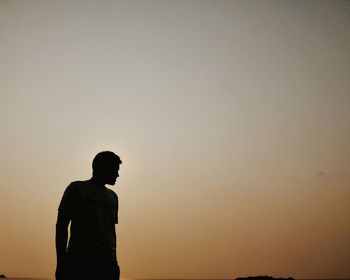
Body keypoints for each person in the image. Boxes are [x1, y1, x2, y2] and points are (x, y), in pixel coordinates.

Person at [55, 151, 122, 280]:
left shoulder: (113, 197)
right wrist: (61, 263)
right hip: (79, 262)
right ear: (103, 168)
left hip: (108, 265)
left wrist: (115, 261)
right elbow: (61, 227)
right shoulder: (76, 189)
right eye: (115, 170)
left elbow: (111, 232)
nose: (117, 175)